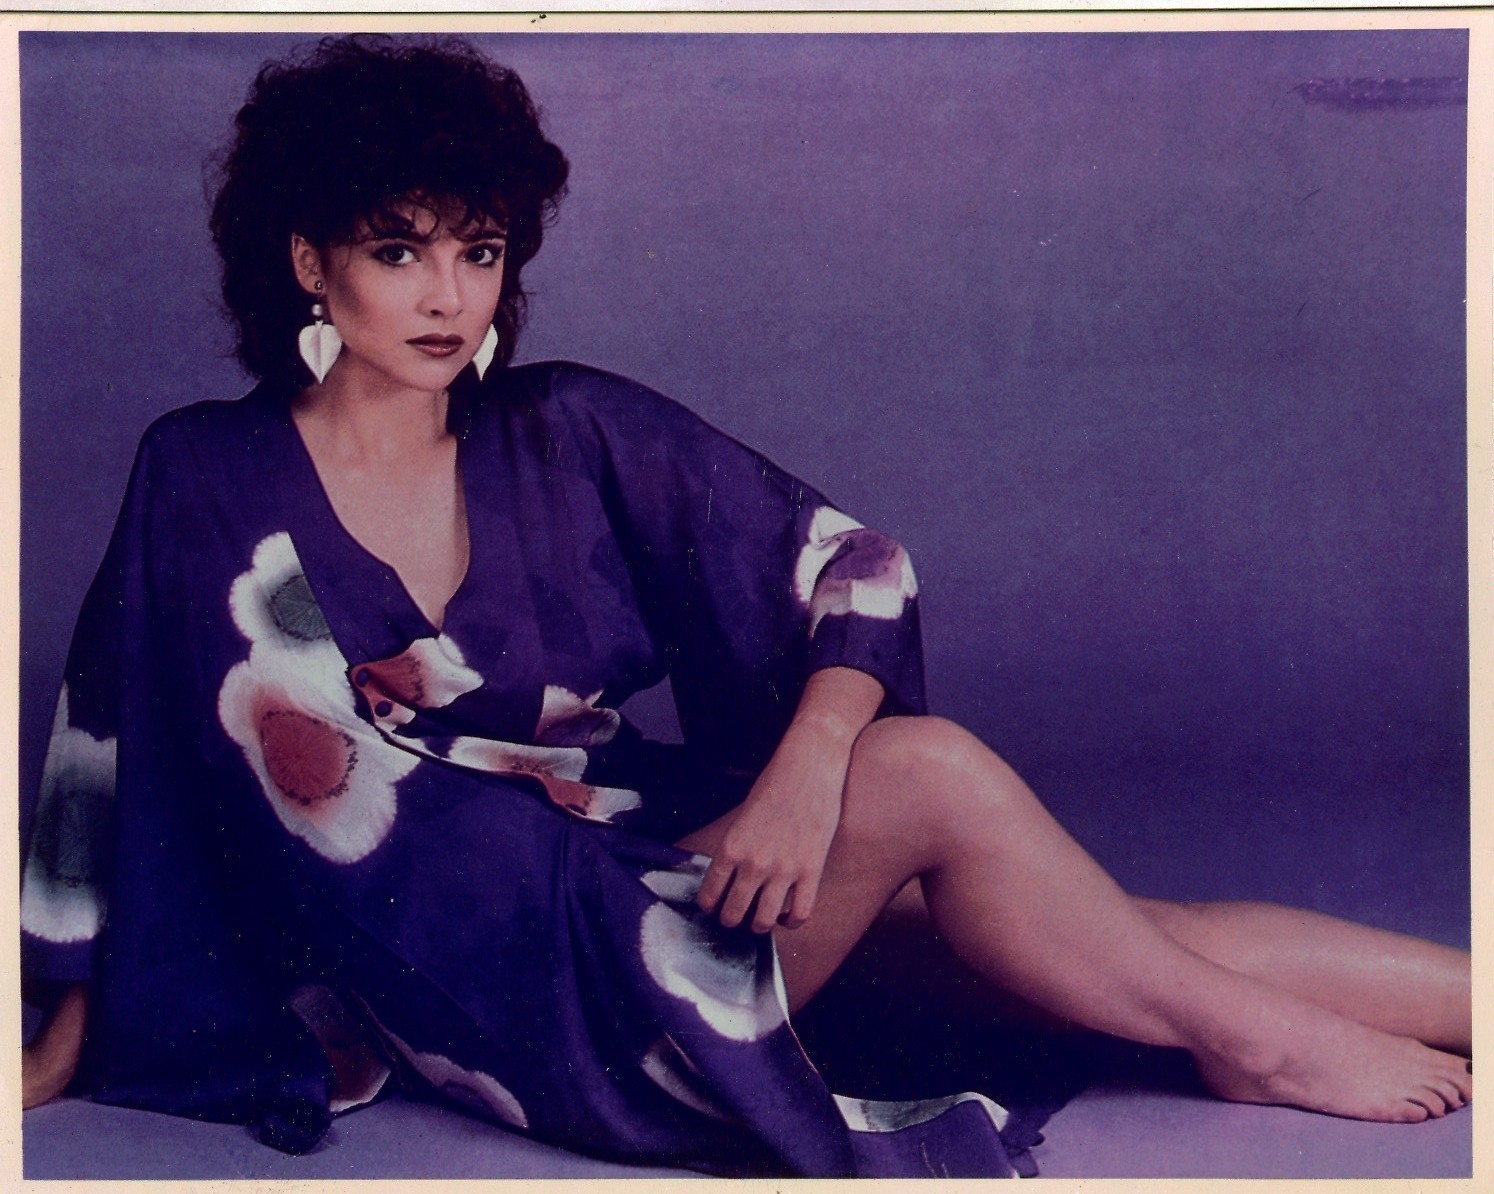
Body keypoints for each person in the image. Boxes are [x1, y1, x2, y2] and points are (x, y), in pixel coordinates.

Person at [20, 34, 1471, 1178]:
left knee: (1048, 921)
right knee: (933, 779)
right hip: (490, 971)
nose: (448, 295)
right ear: (309, 261)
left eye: (479, 249)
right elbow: (117, 764)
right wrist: (59, 1044)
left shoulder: (568, 428)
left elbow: (854, 565)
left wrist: (805, 769)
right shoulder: (203, 472)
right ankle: (1256, 1044)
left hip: (651, 874)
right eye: (398, 251)